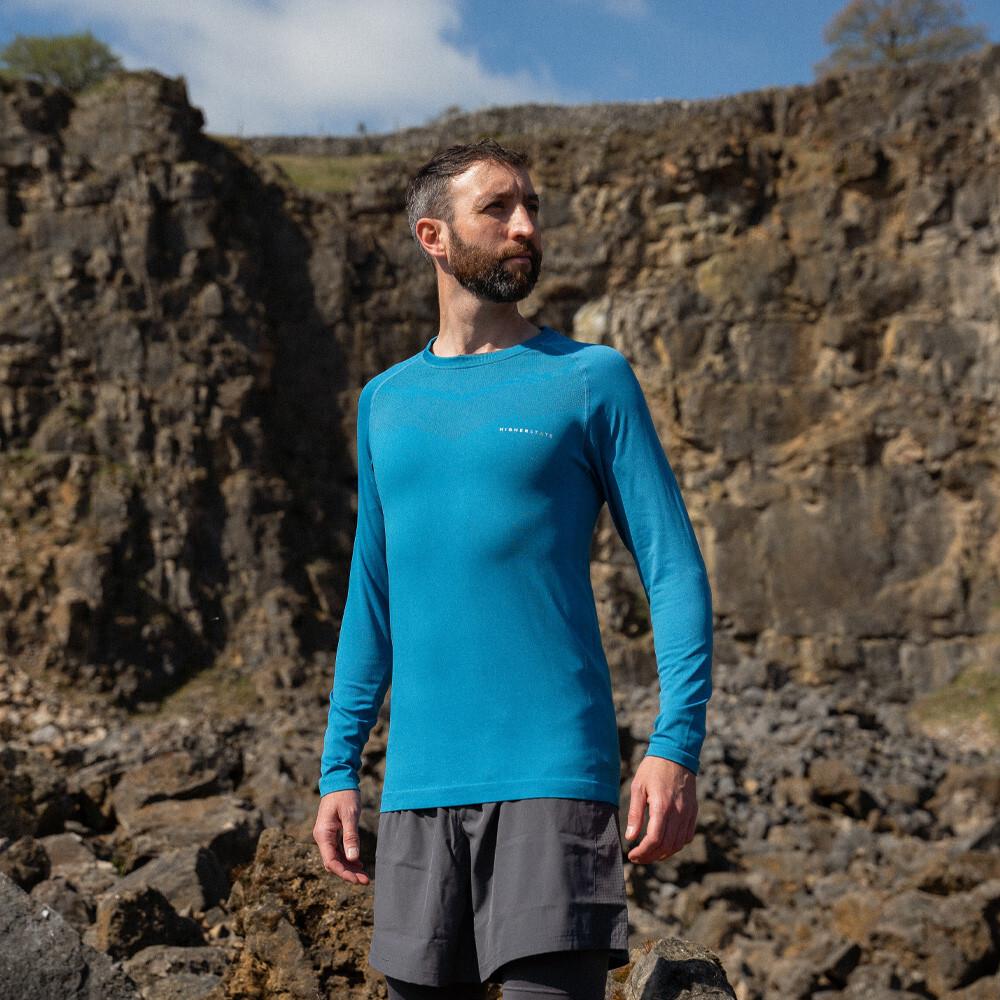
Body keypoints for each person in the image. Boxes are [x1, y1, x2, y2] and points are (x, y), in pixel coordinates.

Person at [313, 138, 714, 1000]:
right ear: (433, 236)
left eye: (531, 206)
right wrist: (339, 768)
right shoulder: (384, 401)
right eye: (497, 208)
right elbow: (372, 597)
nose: (525, 225)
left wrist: (675, 744)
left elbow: (673, 568)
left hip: (550, 781)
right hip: (415, 791)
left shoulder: (590, 379)